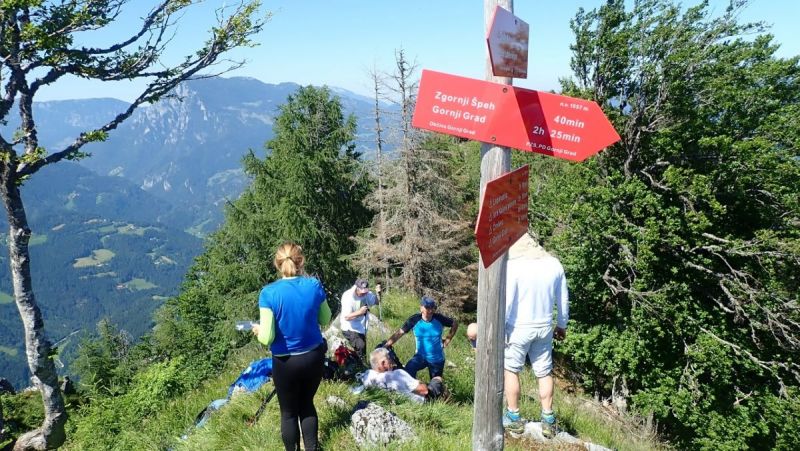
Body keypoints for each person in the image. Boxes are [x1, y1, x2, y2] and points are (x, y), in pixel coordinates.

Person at [252, 242, 332, 451]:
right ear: (300, 261)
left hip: (285, 361)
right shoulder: (314, 286)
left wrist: (258, 330)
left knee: (288, 413)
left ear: (277, 264)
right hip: (314, 356)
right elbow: (325, 318)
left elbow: (267, 337)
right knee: (307, 405)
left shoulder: (268, 293)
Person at [502, 234, 569, 438]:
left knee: (511, 369)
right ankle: (548, 419)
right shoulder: (554, 264)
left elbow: (508, 300)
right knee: (544, 371)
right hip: (544, 326)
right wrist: (562, 325)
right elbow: (563, 299)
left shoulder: (514, 265)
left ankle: (514, 417)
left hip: (518, 326)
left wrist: (501, 328)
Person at [383, 296, 458, 380]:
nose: (430, 310)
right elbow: (399, 333)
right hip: (420, 356)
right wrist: (386, 345)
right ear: (421, 308)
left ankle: (431, 388)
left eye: (433, 308)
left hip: (437, 359)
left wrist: (447, 340)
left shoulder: (439, 318)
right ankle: (415, 387)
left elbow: (455, 323)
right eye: (427, 308)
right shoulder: (414, 320)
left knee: (436, 383)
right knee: (409, 370)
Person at [361, 347, 443, 402]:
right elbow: (424, 391)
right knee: (437, 379)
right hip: (419, 401)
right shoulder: (397, 374)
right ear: (383, 363)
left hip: (396, 401)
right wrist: (420, 382)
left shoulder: (368, 377)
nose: (391, 361)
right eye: (389, 358)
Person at [339, 278, 379, 361]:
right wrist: (360, 312)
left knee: (362, 351)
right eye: (362, 292)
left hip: (361, 328)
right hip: (349, 327)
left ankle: (357, 363)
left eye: (365, 291)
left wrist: (378, 293)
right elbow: (346, 317)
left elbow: (376, 301)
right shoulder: (348, 296)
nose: (364, 294)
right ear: (357, 288)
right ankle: (360, 365)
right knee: (361, 346)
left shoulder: (367, 293)